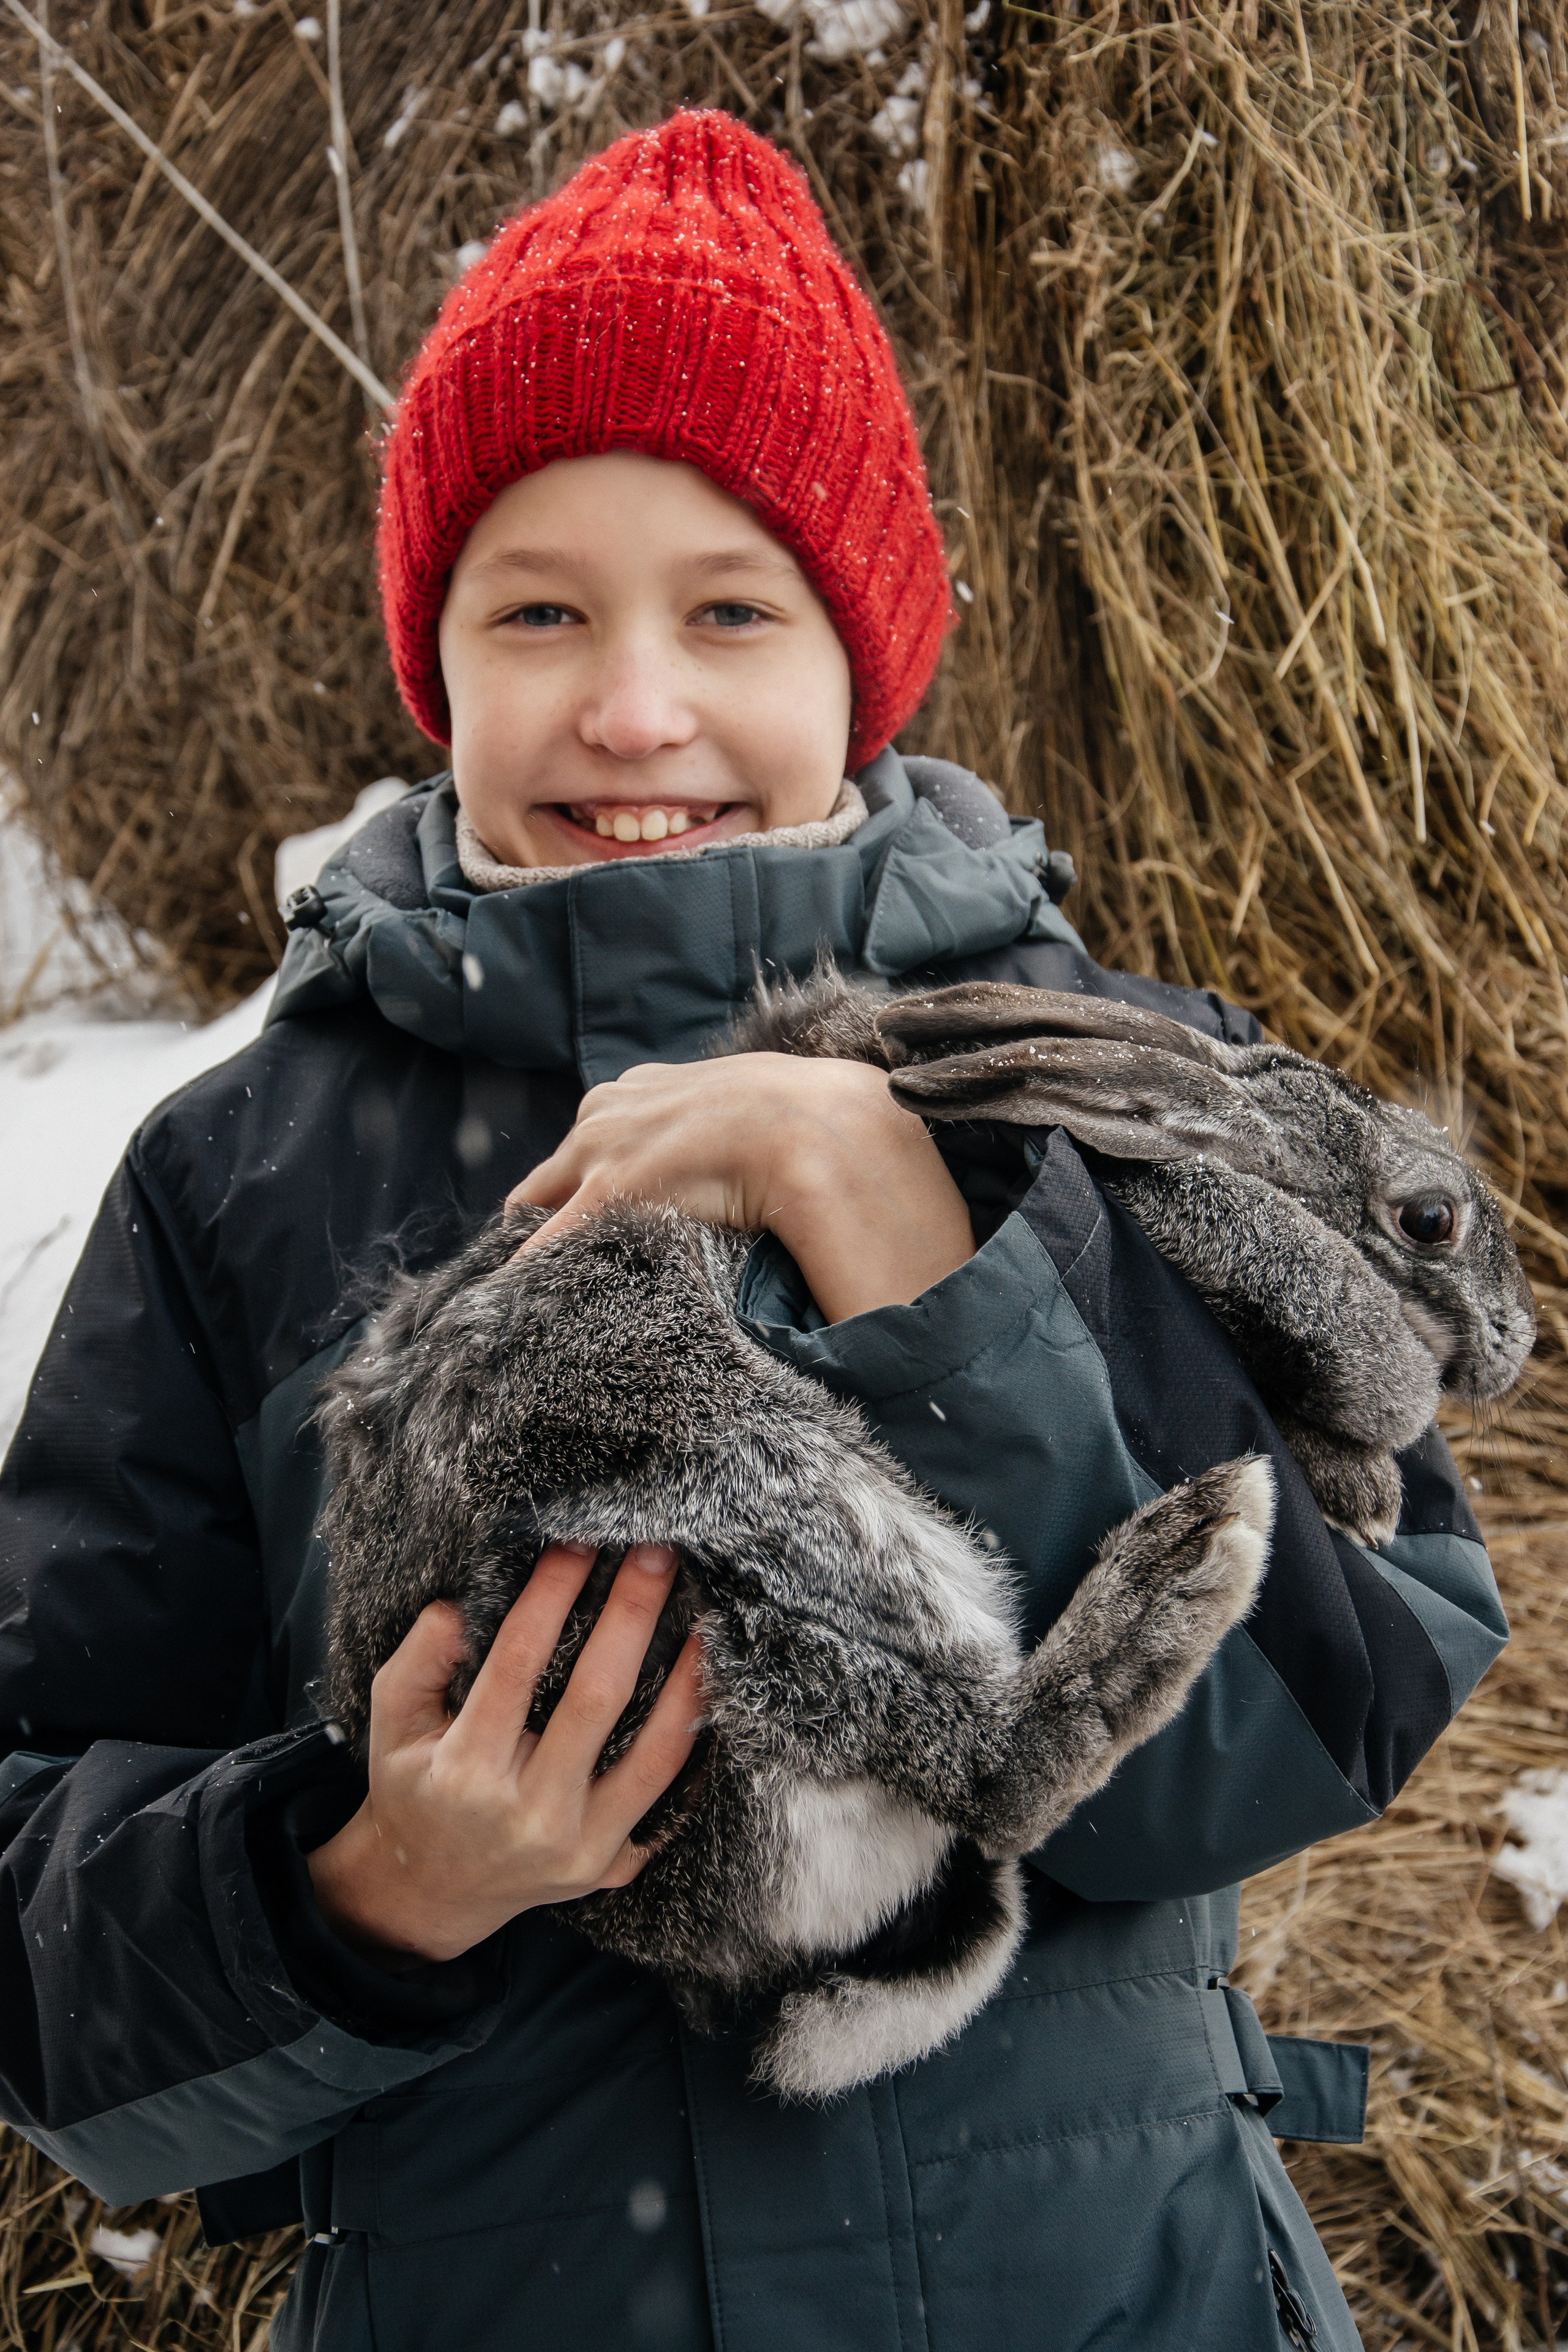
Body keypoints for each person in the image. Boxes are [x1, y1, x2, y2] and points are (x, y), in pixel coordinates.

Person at [0, 110, 1506, 2352]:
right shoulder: (240, 1177)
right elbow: (44, 1969)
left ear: (863, 652)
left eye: (731, 608)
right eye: (540, 612)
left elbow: (1303, 1729)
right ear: (437, 657)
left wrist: (922, 1256)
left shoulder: (1114, 1098)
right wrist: (369, 1882)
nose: (634, 707)